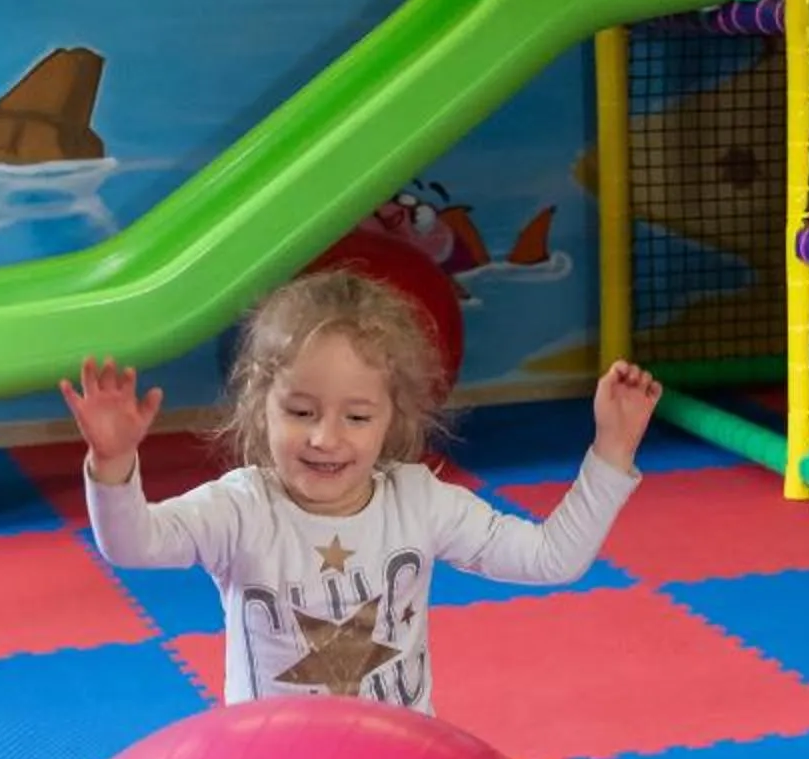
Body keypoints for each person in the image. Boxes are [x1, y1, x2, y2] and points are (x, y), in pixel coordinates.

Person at [64, 267, 661, 708]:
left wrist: (610, 453)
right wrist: (113, 463)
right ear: (261, 408)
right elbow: (133, 546)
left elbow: (551, 558)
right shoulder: (240, 508)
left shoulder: (419, 501)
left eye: (356, 417)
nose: (326, 438)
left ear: (391, 419)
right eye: (300, 411)